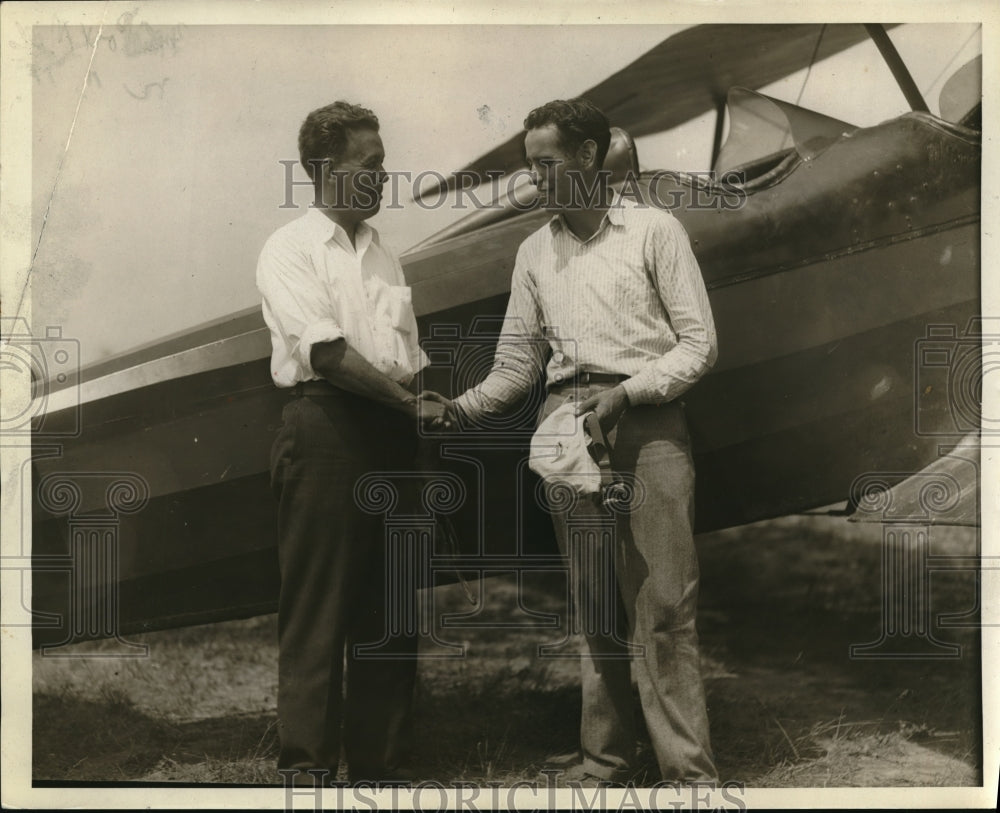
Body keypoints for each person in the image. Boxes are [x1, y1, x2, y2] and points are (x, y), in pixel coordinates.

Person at [420, 98, 719, 784]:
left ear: (588, 157)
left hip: (648, 426)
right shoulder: (533, 251)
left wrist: (626, 394)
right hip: (565, 434)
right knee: (594, 608)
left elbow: (699, 344)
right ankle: (605, 760)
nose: (533, 179)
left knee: (666, 605)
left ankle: (690, 774)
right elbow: (517, 366)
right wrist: (458, 409)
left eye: (544, 163)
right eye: (529, 166)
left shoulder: (654, 230)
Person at [256, 101, 444, 784]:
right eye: (371, 166)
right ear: (326, 170)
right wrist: (407, 400)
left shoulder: (384, 252)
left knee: (391, 610)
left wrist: (423, 424)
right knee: (318, 608)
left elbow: (409, 357)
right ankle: (305, 770)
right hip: (327, 429)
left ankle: (377, 770)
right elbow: (328, 354)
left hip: (393, 436)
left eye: (385, 164)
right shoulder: (289, 249)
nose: (384, 178)